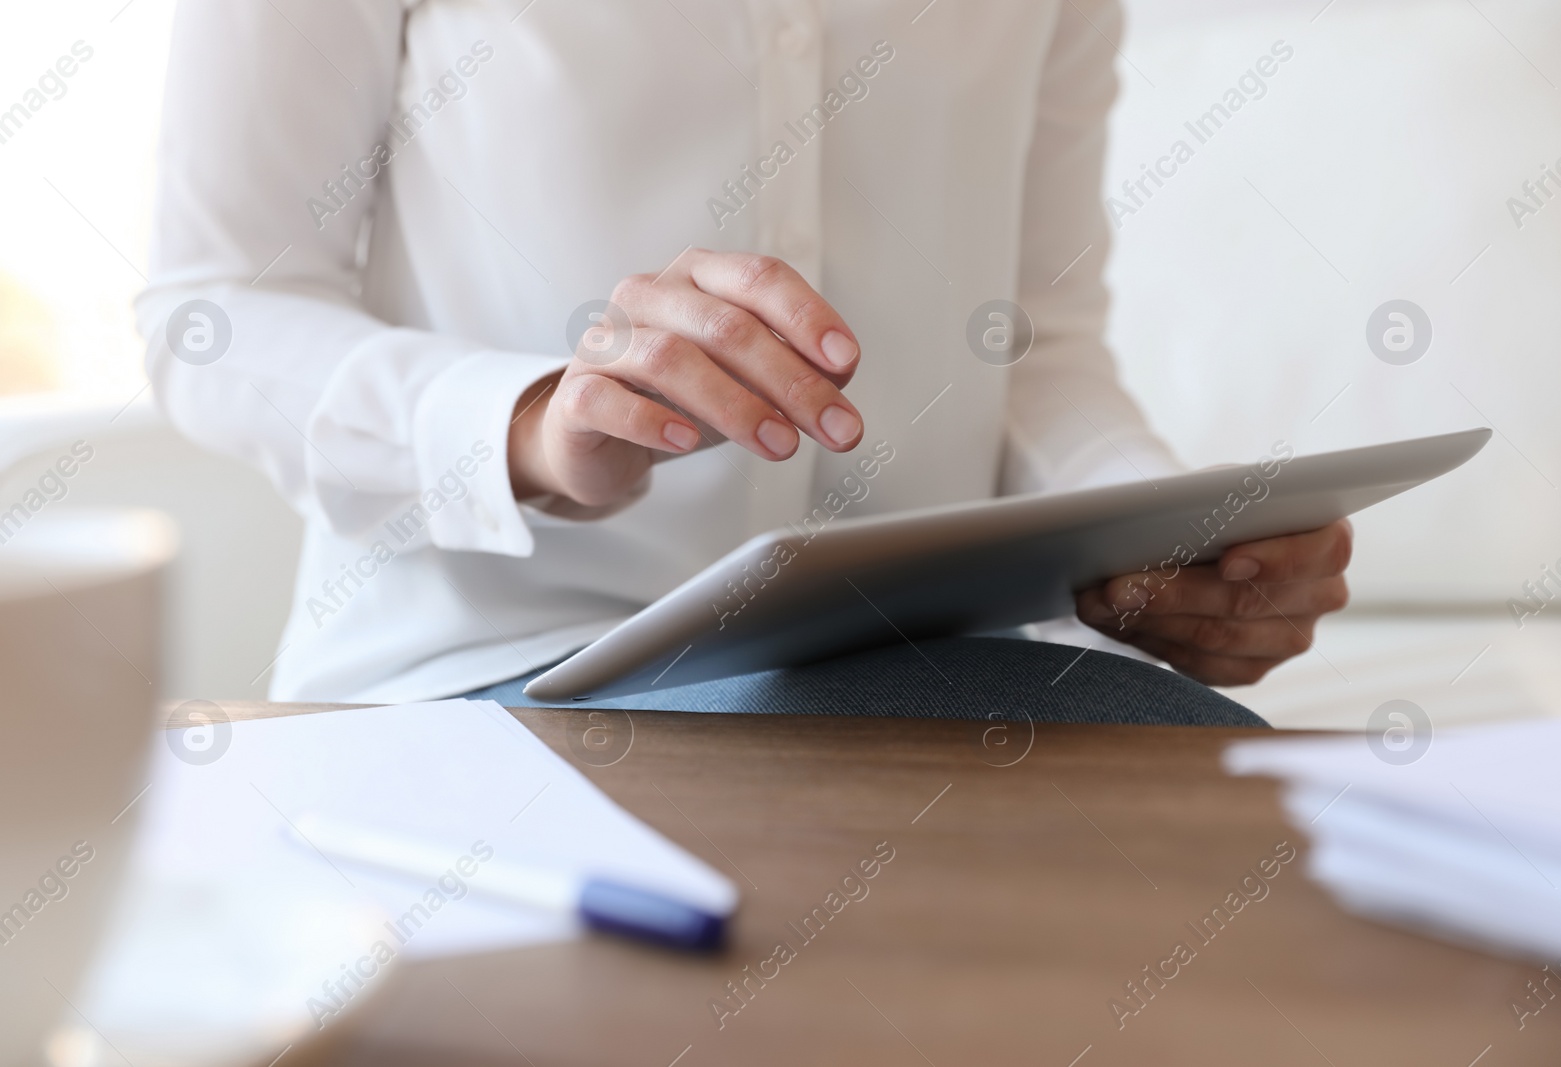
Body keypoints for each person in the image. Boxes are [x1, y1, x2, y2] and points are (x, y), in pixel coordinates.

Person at [138, 0, 1350, 726]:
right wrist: (529, 424)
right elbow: (215, 306)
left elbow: (1030, 339)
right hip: (482, 675)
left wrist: (1159, 538)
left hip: (933, 675)